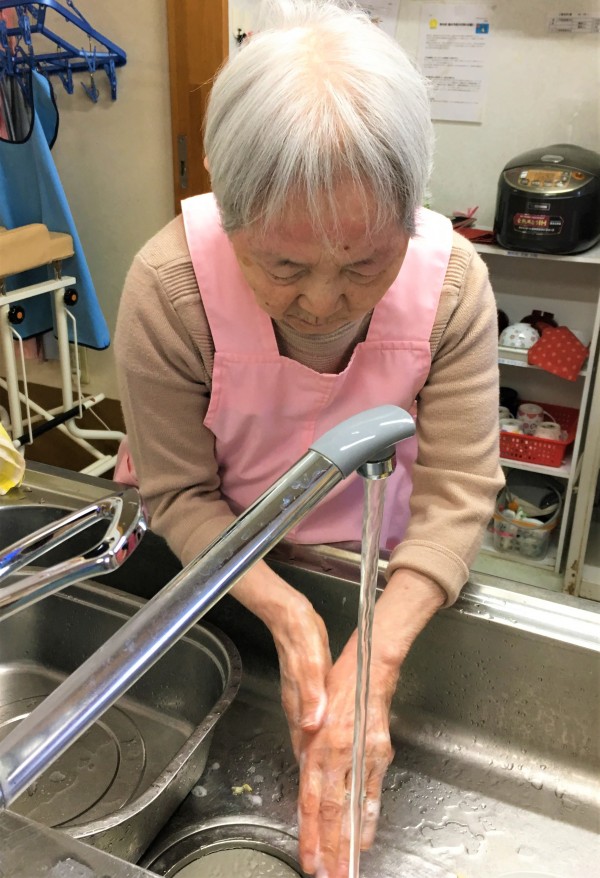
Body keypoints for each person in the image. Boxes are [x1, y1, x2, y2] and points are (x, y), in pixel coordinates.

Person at [114, 2, 503, 875]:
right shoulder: (170, 288)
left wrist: (376, 659)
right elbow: (179, 494)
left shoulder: (453, 289)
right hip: (215, 566)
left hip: (378, 568)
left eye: (365, 264)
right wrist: (286, 613)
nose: (324, 303)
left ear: (411, 210)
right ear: (228, 207)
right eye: (283, 266)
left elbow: (459, 493)